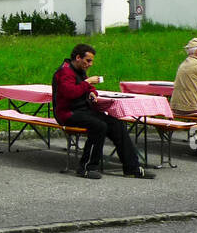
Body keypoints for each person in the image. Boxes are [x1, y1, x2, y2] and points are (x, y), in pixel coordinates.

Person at [53, 43, 154, 179]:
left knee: (117, 124)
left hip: (83, 110)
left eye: (92, 61)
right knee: (99, 126)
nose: (90, 64)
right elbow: (70, 93)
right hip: (67, 113)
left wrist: (92, 92)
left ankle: (132, 168)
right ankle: (86, 167)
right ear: (78, 57)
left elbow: (88, 88)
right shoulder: (64, 72)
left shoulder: (79, 71)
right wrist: (87, 82)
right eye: (88, 60)